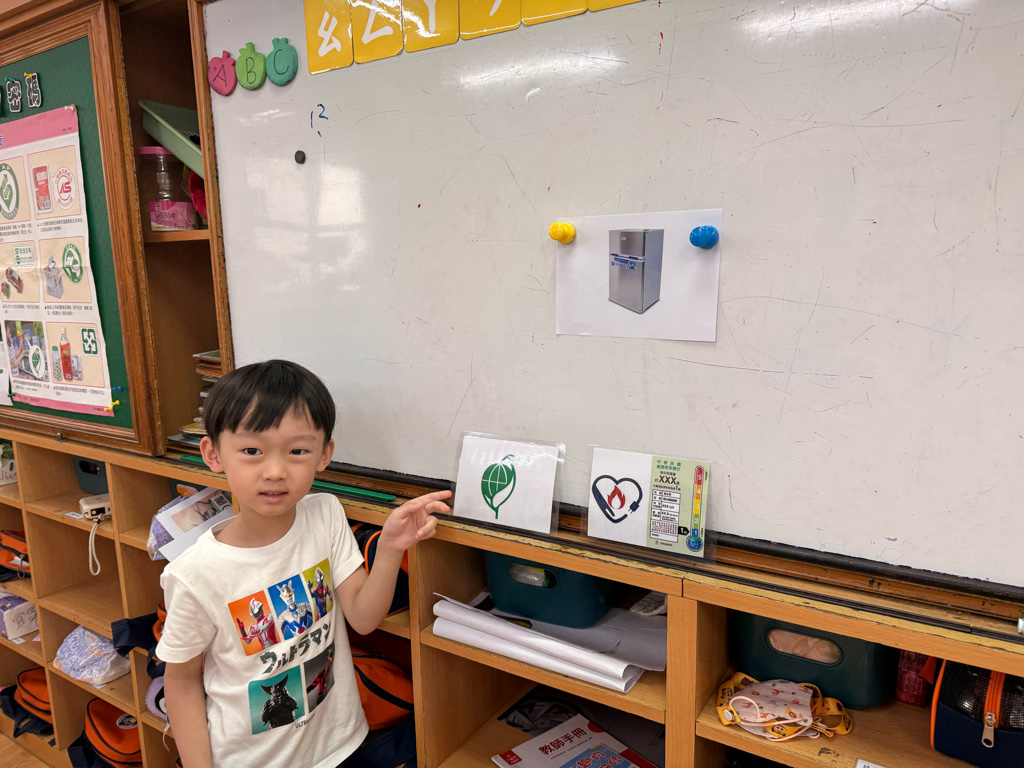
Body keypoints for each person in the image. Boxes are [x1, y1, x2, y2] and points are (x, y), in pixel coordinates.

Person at [156, 360, 450, 768]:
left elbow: (363, 619)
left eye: (297, 451)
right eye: (252, 451)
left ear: (324, 454)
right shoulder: (193, 574)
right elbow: (182, 681)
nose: (276, 472)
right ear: (213, 453)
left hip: (339, 743)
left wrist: (389, 548)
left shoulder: (325, 514)